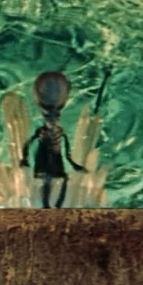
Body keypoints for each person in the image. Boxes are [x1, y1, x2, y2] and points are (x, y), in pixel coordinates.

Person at [20, 72, 86, 208]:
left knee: (60, 178)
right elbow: (30, 142)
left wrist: (73, 163)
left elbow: (66, 149)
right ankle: (47, 205)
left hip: (55, 158)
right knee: (47, 179)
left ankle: (55, 205)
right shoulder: (43, 131)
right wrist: (24, 158)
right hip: (45, 157)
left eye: (55, 116)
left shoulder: (58, 132)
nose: (53, 119)